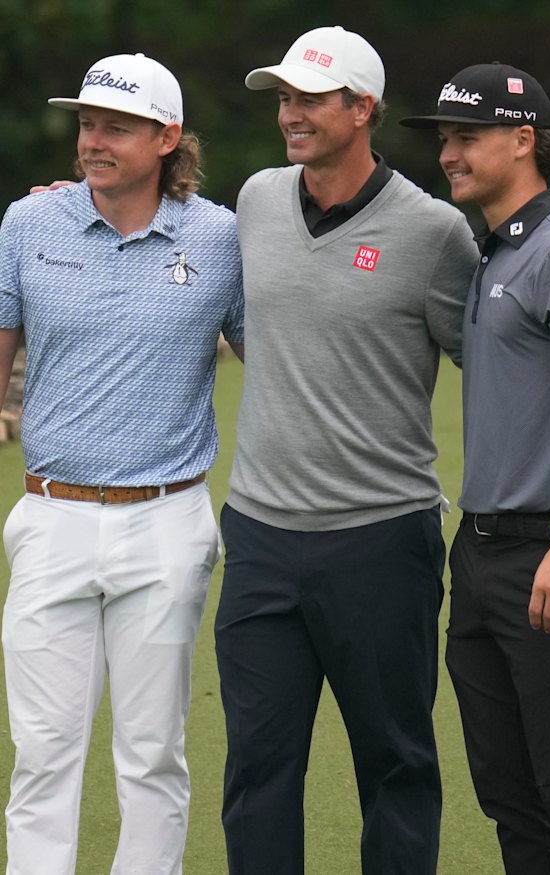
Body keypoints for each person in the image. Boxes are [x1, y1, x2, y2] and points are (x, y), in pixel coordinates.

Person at [213, 26, 478, 875]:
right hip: (259, 537)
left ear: (361, 109)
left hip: (382, 541)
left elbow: (498, 356)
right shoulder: (255, 198)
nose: (289, 114)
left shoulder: (436, 233)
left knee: (396, 763)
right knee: (257, 768)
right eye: (284, 98)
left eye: (309, 99)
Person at [0, 52, 243, 875]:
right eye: (87, 124)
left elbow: (278, 361)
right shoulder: (27, 224)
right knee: (42, 755)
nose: (93, 141)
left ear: (167, 137)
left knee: (151, 754)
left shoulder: (222, 236)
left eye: (117, 126)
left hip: (168, 519)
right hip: (51, 515)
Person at [401, 62, 550, 873]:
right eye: (444, 139)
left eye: (465, 137)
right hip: (480, 556)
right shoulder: (491, 255)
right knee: (509, 795)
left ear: (524, 140)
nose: (449, 154)